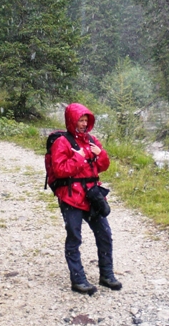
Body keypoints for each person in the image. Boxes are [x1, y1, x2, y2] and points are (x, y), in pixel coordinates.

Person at [50, 103, 122, 295]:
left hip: (92, 195)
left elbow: (103, 166)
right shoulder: (62, 143)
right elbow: (59, 170)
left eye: (85, 120)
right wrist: (79, 158)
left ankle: (106, 275)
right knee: (74, 237)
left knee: (105, 234)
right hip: (70, 196)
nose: (83, 124)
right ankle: (78, 279)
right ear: (71, 121)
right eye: (80, 120)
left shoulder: (92, 140)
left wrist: (101, 154)